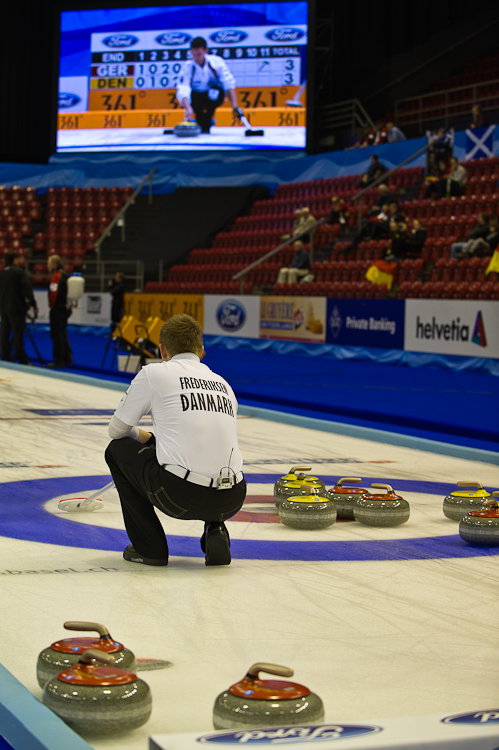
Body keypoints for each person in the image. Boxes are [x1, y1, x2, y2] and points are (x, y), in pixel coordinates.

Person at [105, 313, 246, 567]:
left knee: (116, 450)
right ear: (202, 351)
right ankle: (216, 528)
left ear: (162, 350)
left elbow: (116, 431)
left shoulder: (154, 373)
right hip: (232, 498)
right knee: (209, 455)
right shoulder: (224, 385)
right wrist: (153, 441)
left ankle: (150, 547)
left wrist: (141, 437)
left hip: (180, 497)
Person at [176, 37, 238, 134]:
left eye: (199, 54)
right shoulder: (187, 67)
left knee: (215, 93)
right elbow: (184, 88)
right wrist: (187, 108)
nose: (196, 58)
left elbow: (228, 84)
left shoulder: (217, 63)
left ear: (206, 51)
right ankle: (202, 124)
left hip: (213, 96)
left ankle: (208, 119)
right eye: (194, 54)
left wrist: (234, 107)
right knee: (201, 121)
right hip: (196, 97)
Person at [0, 251, 37, 365]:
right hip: (16, 308)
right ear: (15, 260)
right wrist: (33, 304)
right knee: (18, 334)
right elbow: (27, 289)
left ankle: (5, 358)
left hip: (3, 308)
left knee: (4, 334)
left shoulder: (1, 273)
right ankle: (21, 359)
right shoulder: (19, 272)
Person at [47, 254, 73, 368]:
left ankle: (58, 360)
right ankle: (67, 357)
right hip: (65, 309)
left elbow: (53, 294)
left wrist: (52, 307)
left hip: (57, 309)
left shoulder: (56, 277)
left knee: (57, 334)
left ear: (54, 264)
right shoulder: (66, 275)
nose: (47, 265)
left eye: (49, 263)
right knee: (62, 333)